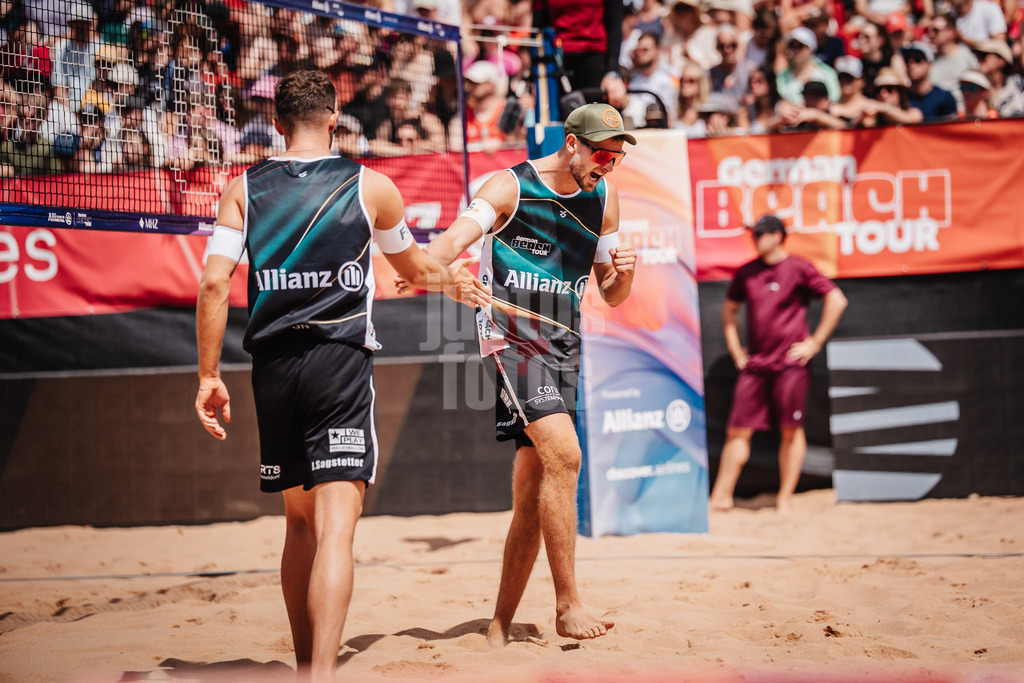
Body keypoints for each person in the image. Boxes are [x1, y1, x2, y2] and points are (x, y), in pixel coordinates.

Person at [195, 69, 485, 682]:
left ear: (277, 124)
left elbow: (215, 283)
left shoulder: (243, 188)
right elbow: (416, 267)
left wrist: (206, 376)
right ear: (334, 117)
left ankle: (303, 665)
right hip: (339, 363)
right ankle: (320, 676)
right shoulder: (371, 186)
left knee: (298, 526)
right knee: (335, 532)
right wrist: (456, 285)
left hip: (271, 366)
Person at [397, 102, 637, 647]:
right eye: (603, 153)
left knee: (533, 490)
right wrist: (445, 277)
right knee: (566, 455)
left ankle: (499, 625)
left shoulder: (605, 198)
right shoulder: (508, 188)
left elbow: (614, 295)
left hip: (565, 347)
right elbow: (439, 253)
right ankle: (568, 604)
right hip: (510, 341)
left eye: (617, 158)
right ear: (571, 144)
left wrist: (624, 276)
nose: (608, 165)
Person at [709, 214, 847, 514]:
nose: (755, 239)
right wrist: (736, 351)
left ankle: (785, 498)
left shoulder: (799, 268)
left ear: (777, 236)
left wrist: (814, 342)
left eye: (760, 234)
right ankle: (721, 496)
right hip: (756, 366)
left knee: (791, 430)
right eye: (754, 234)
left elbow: (837, 300)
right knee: (737, 431)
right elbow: (730, 310)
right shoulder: (746, 273)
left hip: (790, 364)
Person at [903, 41, 959, 121]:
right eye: (906, 60)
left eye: (917, 60)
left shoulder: (945, 98)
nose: (911, 65)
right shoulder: (901, 97)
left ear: (929, 65)